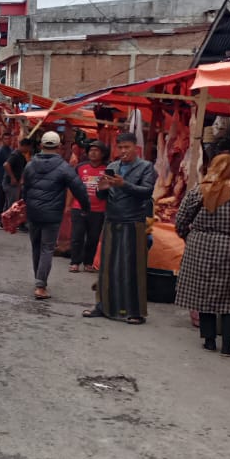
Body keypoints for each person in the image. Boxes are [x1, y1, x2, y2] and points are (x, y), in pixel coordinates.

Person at [173, 148, 230, 357]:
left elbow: (181, 220)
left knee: (203, 292)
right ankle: (228, 345)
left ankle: (208, 340)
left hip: (200, 246)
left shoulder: (199, 190)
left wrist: (188, 237)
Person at [84, 132, 156, 324]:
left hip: (133, 221)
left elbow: (147, 192)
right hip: (112, 219)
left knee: (132, 267)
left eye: (127, 147)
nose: (124, 151)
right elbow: (103, 197)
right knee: (107, 265)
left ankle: (135, 311)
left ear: (135, 148)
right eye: (121, 147)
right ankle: (102, 305)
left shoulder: (146, 167)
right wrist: (101, 189)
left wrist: (124, 185)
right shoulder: (112, 166)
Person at [21, 131, 88, 299]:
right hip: (52, 214)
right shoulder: (64, 167)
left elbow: (25, 188)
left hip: (33, 212)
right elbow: (78, 188)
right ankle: (40, 285)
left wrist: (26, 205)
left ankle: (39, 281)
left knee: (36, 247)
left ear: (41, 145)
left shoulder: (30, 165)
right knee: (47, 248)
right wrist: (86, 207)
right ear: (59, 147)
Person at [70, 141, 108, 273]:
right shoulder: (80, 167)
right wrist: (68, 205)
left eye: (97, 150)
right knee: (77, 236)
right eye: (91, 150)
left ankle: (88, 262)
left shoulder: (108, 169)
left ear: (103, 154)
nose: (93, 152)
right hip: (79, 207)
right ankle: (75, 262)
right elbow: (72, 187)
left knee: (93, 237)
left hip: (99, 210)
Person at [4, 137, 33, 216]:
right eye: (29, 147)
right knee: (12, 204)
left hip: (14, 184)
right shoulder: (15, 154)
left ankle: (4, 222)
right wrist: (12, 178)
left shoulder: (21, 156)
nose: (29, 150)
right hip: (10, 184)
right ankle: (9, 222)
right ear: (25, 146)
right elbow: (6, 165)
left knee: (9, 203)